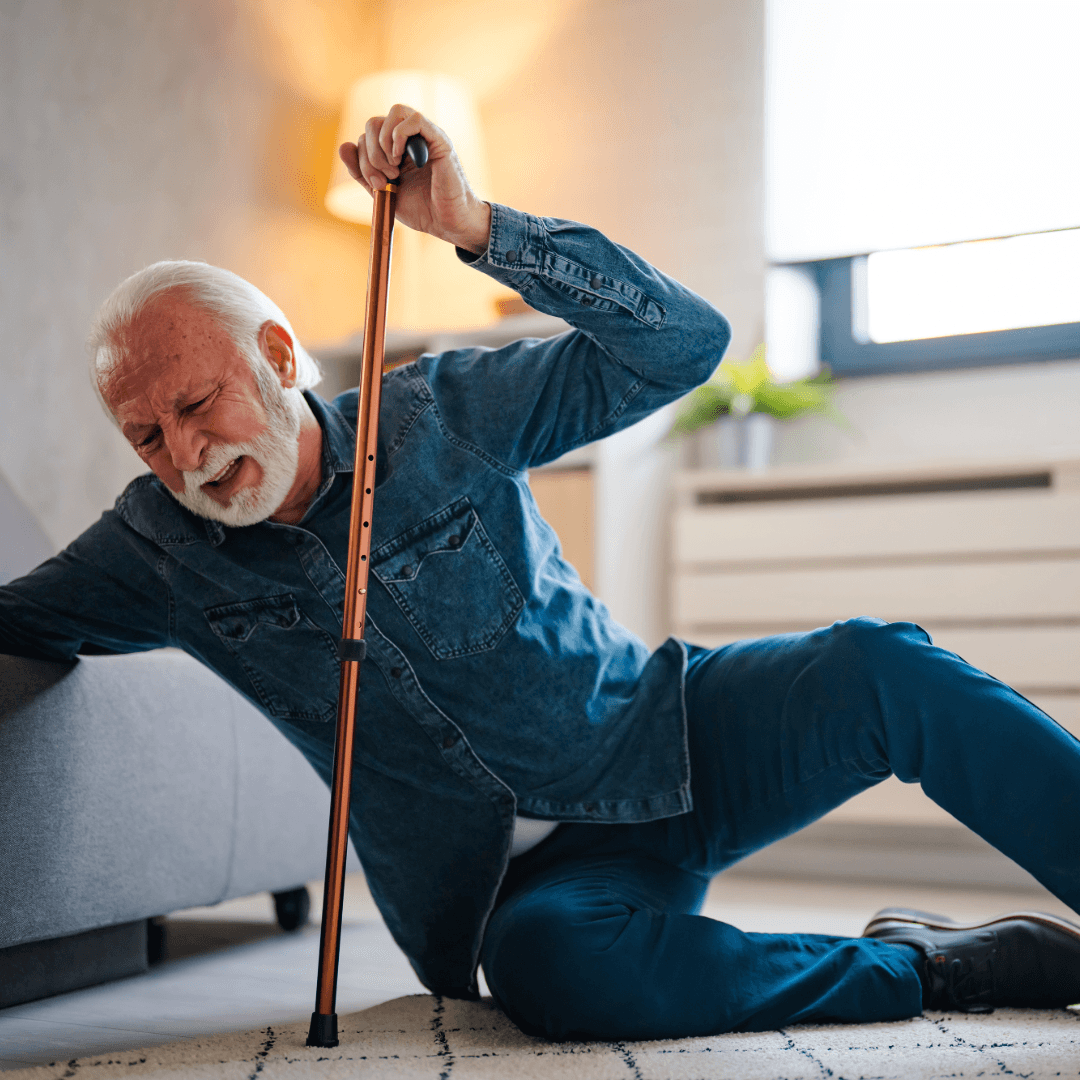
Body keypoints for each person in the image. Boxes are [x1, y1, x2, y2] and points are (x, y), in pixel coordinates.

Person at [2, 106, 1078, 1040]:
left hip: (666, 735)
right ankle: (940, 967)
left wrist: (474, 225)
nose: (185, 456)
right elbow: (20, 618)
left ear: (279, 359)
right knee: (560, 974)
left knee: (885, 667)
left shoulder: (436, 413)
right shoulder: (153, 549)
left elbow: (685, 344)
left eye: (197, 406)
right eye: (145, 435)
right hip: (528, 888)